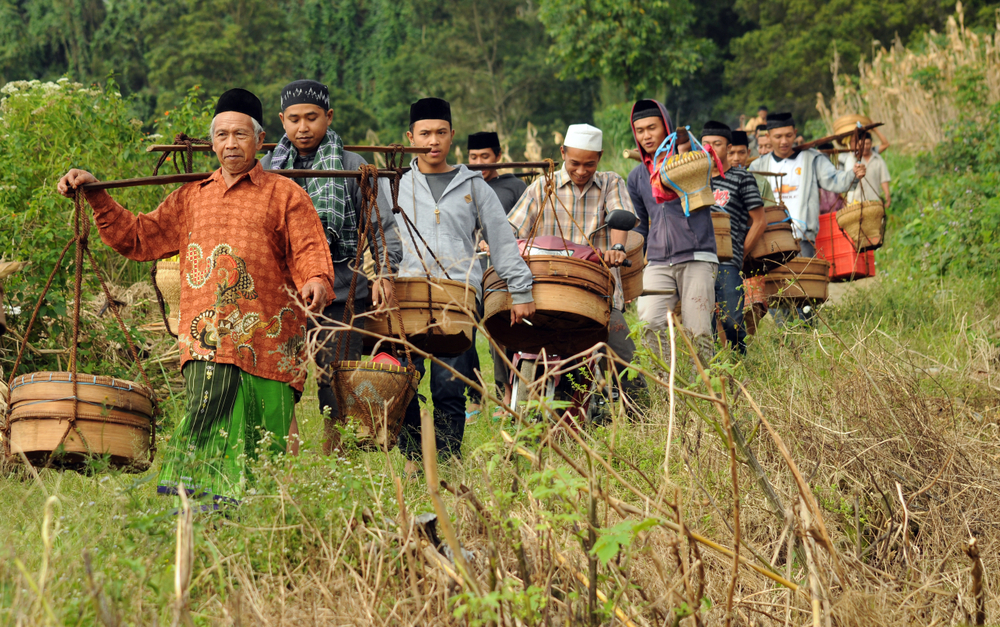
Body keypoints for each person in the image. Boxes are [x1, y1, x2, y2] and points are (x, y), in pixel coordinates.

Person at [57, 89, 335, 506]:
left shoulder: (285, 194)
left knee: (269, 429)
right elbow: (137, 236)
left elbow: (310, 248)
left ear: (260, 141)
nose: (230, 144)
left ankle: (269, 512)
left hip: (271, 339)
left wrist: (315, 279)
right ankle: (199, 510)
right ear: (212, 143)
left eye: (240, 134)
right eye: (221, 135)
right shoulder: (191, 196)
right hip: (208, 339)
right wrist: (98, 194)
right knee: (207, 417)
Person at [260, 79, 403, 455]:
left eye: (312, 118)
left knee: (336, 380)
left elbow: (381, 227)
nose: (302, 127)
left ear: (329, 117)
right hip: (281, 294)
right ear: (281, 120)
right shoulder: (267, 168)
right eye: (293, 119)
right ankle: (283, 456)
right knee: (278, 378)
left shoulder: (353, 166)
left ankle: (336, 455)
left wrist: (386, 274)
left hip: (340, 293)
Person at [395, 97, 534, 475]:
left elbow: (502, 241)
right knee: (403, 378)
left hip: (457, 295)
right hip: (407, 295)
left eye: (441, 132)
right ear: (410, 137)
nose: (433, 141)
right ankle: (412, 457)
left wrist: (520, 290)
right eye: (425, 134)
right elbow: (383, 238)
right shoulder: (397, 184)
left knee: (448, 383)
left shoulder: (473, 185)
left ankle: (448, 460)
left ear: (452, 136)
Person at [507, 123, 642, 400]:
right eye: (574, 163)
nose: (581, 171)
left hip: (597, 293)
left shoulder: (610, 183)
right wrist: (494, 241)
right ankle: (512, 400)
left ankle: (640, 417)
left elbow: (620, 213)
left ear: (600, 158)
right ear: (562, 153)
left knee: (624, 360)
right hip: (547, 293)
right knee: (508, 331)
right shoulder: (541, 188)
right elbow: (512, 227)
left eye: (589, 164)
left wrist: (617, 247)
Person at [626, 99, 718, 368]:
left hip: (696, 255)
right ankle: (668, 384)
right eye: (639, 130)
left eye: (651, 128)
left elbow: (706, 176)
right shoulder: (637, 177)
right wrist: (632, 269)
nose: (645, 136)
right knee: (648, 322)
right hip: (657, 261)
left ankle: (705, 393)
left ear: (665, 126)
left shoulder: (690, 160)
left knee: (698, 331)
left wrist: (684, 151)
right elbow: (641, 226)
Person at [465, 131, 527, 421]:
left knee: (500, 334)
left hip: (499, 273)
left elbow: (524, 228)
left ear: (498, 157)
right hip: (466, 271)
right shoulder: (462, 185)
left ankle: (507, 396)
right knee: (461, 332)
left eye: (485, 157)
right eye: (473, 157)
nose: (479, 163)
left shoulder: (515, 187)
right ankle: (473, 396)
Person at [754, 112, 865, 258]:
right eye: (778, 137)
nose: (784, 141)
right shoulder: (758, 166)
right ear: (768, 137)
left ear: (795, 133)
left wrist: (853, 174)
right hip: (769, 237)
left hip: (803, 237)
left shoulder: (811, 158)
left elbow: (835, 179)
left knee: (805, 278)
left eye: (788, 135)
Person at [701, 122, 764, 355]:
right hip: (699, 259)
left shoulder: (742, 178)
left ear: (728, 147)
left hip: (729, 260)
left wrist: (740, 252)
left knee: (731, 319)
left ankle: (740, 359)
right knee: (704, 320)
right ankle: (715, 368)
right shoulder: (696, 180)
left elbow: (759, 221)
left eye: (717, 144)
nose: (711, 149)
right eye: (706, 144)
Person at [729, 129, 774, 336]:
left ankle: (747, 343)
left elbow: (767, 217)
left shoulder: (760, 182)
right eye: (731, 153)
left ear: (748, 153)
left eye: (741, 152)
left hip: (753, 251)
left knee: (754, 304)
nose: (736, 158)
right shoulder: (712, 181)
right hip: (724, 252)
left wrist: (744, 251)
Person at [842, 132, 891, 207]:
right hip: (855, 203)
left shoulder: (878, 159)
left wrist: (887, 193)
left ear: (871, 144)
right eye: (862, 144)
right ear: (857, 145)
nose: (865, 146)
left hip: (874, 201)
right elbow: (847, 179)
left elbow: (884, 179)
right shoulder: (851, 159)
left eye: (868, 143)